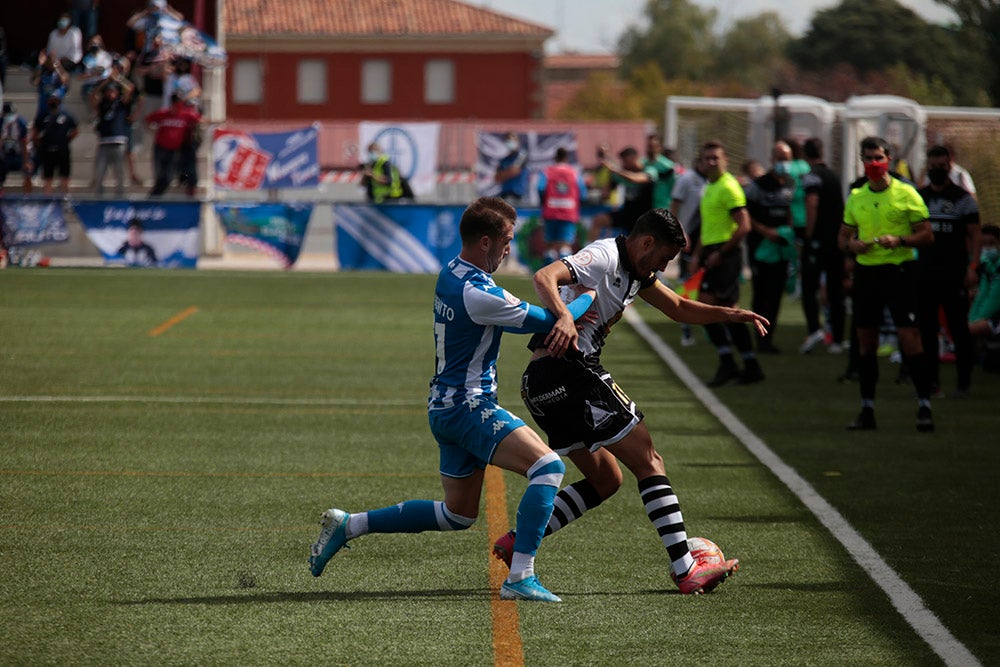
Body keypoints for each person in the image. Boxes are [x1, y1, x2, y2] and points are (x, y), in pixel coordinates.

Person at [308, 197, 596, 603]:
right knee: (547, 467)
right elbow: (550, 322)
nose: (509, 248)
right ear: (485, 242)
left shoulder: (452, 272)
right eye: (506, 241)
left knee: (457, 514)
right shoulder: (478, 294)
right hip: (467, 407)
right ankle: (521, 576)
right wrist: (588, 295)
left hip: (444, 407)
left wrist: (567, 307)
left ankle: (348, 525)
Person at [493, 208, 769, 595]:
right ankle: (686, 568)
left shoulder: (639, 273)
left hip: (540, 384)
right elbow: (545, 277)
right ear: (647, 242)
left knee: (606, 480)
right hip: (571, 371)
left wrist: (731, 314)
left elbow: (677, 308)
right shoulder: (606, 255)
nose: (664, 265)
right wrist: (563, 317)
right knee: (649, 460)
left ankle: (518, 540)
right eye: (664, 257)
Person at [838, 136, 935, 432]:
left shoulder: (907, 193)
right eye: (867, 159)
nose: (873, 164)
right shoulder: (856, 197)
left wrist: (900, 240)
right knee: (867, 341)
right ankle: (867, 410)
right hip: (868, 274)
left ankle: (924, 406)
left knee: (910, 338)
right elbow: (842, 237)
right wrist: (853, 247)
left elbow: (927, 235)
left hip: (900, 271)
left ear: (888, 160)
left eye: (878, 158)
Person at [692, 140, 764, 386]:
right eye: (707, 158)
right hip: (713, 252)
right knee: (726, 311)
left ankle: (730, 362)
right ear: (701, 162)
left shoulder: (729, 187)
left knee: (708, 308)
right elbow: (709, 226)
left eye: (716, 158)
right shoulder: (709, 187)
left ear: (725, 160)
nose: (711, 162)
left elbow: (745, 226)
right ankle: (748, 364)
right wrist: (697, 256)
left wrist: (720, 253)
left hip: (726, 255)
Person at [916, 145, 980, 397]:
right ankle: (931, 383)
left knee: (959, 329)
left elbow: (975, 234)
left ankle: (964, 383)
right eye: (932, 166)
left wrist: (973, 266)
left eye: (941, 166)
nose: (936, 171)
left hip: (954, 274)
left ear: (950, 166)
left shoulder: (963, 198)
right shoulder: (919, 197)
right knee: (927, 330)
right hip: (925, 273)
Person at [745, 141, 797, 353]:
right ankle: (759, 339)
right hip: (760, 247)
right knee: (761, 293)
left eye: (786, 159)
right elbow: (746, 213)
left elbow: (794, 211)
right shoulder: (759, 185)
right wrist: (766, 231)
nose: (783, 163)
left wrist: (787, 232)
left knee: (776, 294)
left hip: (781, 249)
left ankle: (769, 339)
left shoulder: (792, 184)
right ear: (772, 159)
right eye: (779, 158)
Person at [799, 137, 847, 354]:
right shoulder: (834, 176)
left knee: (810, 286)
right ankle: (837, 339)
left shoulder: (811, 177)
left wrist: (808, 235)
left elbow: (812, 203)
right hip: (836, 241)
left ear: (804, 154)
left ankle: (814, 330)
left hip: (818, 241)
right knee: (836, 290)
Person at [669, 155, 708, 347]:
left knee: (708, 284)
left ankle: (712, 328)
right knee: (687, 283)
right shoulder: (686, 179)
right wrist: (681, 231)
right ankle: (685, 329)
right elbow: (674, 207)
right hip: (690, 238)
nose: (710, 163)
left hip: (709, 239)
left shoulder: (715, 181)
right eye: (706, 158)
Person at [590, 146, 657, 238]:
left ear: (633, 158)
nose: (624, 164)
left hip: (644, 216)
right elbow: (606, 194)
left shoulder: (649, 170)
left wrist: (615, 169)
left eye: (625, 161)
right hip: (627, 213)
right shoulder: (622, 173)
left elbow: (634, 179)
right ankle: (589, 248)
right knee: (599, 220)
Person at [537, 146, 586, 264]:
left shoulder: (547, 172)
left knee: (550, 245)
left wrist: (545, 201)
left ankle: (547, 276)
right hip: (568, 213)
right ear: (566, 157)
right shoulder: (574, 173)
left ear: (555, 157)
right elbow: (583, 193)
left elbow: (540, 188)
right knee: (565, 245)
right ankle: (564, 277)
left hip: (551, 212)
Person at [146, 93, 200, 196]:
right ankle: (154, 197)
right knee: (159, 174)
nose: (176, 106)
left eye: (178, 104)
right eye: (174, 104)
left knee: (168, 176)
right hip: (160, 148)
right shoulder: (163, 113)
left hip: (173, 151)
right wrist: (152, 130)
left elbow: (200, 120)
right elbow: (148, 120)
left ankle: (155, 196)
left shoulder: (186, 115)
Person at [91, 75, 135, 197]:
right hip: (104, 142)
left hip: (118, 141)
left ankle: (120, 196)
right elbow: (93, 95)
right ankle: (99, 196)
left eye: (113, 91)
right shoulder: (102, 105)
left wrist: (118, 79)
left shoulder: (121, 104)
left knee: (119, 172)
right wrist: (106, 81)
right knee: (100, 171)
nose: (111, 94)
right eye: (109, 91)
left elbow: (130, 88)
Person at [31, 93, 79, 195]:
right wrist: (40, 143)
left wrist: (66, 140)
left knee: (64, 176)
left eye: (55, 100)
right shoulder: (43, 115)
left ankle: (66, 200)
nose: (53, 102)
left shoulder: (66, 115)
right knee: (48, 177)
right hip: (47, 150)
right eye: (51, 99)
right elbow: (35, 132)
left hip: (62, 150)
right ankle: (48, 200)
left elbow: (75, 130)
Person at [969, 225, 1000, 345]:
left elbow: (994, 300)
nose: (987, 248)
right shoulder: (986, 267)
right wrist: (972, 320)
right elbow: (982, 295)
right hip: (989, 316)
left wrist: (975, 321)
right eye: (984, 245)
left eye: (992, 243)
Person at [1, 102, 32, 193]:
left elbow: (25, 142)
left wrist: (26, 161)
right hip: (5, 156)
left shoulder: (21, 122)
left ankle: (27, 197)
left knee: (28, 171)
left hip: (20, 155)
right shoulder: (1, 122)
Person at [31, 52, 69, 120]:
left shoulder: (58, 74)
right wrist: (40, 65)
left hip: (56, 104)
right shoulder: (43, 74)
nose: (51, 64)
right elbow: (35, 82)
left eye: (53, 61)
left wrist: (58, 67)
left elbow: (64, 81)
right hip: (44, 103)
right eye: (49, 61)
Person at [494, 132, 529, 203]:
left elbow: (514, 171)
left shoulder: (522, 156)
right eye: (508, 140)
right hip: (505, 195)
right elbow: (497, 178)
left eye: (512, 140)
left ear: (518, 141)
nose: (510, 142)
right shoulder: (504, 160)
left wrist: (503, 174)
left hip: (518, 196)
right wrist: (507, 173)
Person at [644, 133, 675, 209]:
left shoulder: (667, 165)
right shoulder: (643, 163)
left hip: (663, 207)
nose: (650, 149)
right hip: (646, 207)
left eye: (653, 146)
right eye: (649, 146)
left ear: (660, 148)